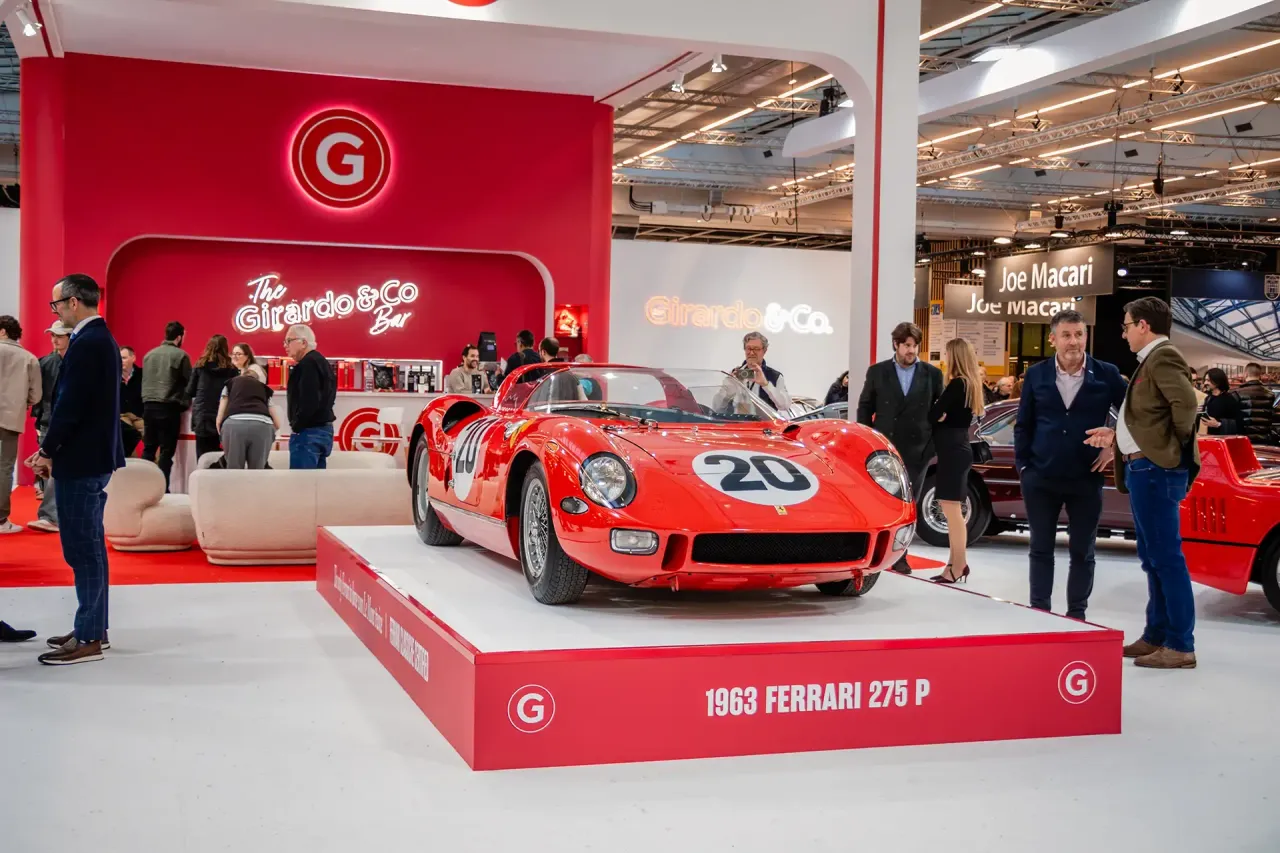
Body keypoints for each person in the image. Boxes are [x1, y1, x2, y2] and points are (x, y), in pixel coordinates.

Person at [1084, 296, 1199, 670]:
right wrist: (1118, 435)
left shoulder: (1163, 357)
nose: (1124, 333)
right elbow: (1151, 416)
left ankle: (1180, 645)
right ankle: (1156, 635)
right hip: (1143, 469)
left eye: (1127, 325)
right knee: (1153, 558)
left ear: (1143, 326)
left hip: (1155, 470)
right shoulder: (1151, 360)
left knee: (1166, 558)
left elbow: (1185, 407)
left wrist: (1166, 449)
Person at [26, 274, 126, 666]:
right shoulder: (100, 339)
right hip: (93, 457)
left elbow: (71, 406)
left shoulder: (89, 342)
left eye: (55, 305)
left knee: (82, 549)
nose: (54, 312)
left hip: (81, 460)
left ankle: (88, 637)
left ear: (72, 302)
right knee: (91, 548)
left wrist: (47, 449)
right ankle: (93, 627)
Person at [1014, 310, 1128, 621]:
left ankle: (1077, 615)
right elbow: (1023, 424)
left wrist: (1114, 445)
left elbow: (1134, 415)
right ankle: (1039, 612)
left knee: (1083, 551)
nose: (1074, 341)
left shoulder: (1106, 374)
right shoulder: (1036, 375)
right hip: (1040, 477)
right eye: (1066, 335)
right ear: (1053, 339)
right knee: (1040, 549)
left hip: (1085, 477)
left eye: (1079, 334)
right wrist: (1024, 468)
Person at [856, 321, 945, 574]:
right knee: (882, 500)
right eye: (907, 345)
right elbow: (865, 406)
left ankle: (901, 554)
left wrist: (934, 444)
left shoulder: (932, 374)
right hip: (884, 448)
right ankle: (877, 552)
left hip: (919, 448)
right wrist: (866, 440)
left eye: (915, 345)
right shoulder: (878, 371)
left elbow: (940, 411)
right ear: (896, 344)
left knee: (909, 503)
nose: (911, 350)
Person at [930, 338, 986, 584]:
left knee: (952, 510)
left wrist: (939, 415)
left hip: (952, 451)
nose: (945, 358)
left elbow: (933, 414)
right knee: (952, 509)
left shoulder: (957, 384)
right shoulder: (970, 384)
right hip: (958, 448)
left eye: (948, 354)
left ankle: (959, 564)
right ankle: (953, 564)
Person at [0, 315, 42, 535]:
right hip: (11, 418)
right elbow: (36, 395)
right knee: (5, 467)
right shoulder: (29, 358)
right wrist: (22, 402)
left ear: (3, 331)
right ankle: (1, 519)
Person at [28, 321, 71, 533]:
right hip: (48, 421)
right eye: (53, 335)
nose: (54, 339)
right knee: (50, 467)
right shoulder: (45, 363)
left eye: (59, 336)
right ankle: (51, 515)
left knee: (59, 468)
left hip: (68, 423)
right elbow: (37, 394)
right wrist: (38, 419)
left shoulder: (77, 363)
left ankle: (53, 515)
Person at [141, 321, 192, 489]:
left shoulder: (149, 355)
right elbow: (190, 383)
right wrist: (184, 403)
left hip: (148, 406)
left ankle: (143, 486)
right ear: (179, 337)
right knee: (166, 452)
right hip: (168, 408)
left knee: (148, 449)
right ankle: (162, 488)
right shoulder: (181, 356)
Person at [284, 324, 336, 470]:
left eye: (289, 341)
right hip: (324, 429)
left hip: (308, 431)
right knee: (316, 481)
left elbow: (309, 399)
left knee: (301, 481)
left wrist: (297, 425)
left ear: (303, 342)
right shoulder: (322, 362)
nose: (285, 345)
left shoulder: (307, 365)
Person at [186, 334, 240, 462]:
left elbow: (190, 391)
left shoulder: (200, 366)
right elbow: (234, 393)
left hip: (202, 415)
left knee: (202, 456)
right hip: (222, 415)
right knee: (218, 455)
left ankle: (202, 474)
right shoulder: (232, 369)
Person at [217, 365, 281, 470]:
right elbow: (277, 423)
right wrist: (270, 434)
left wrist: (220, 423)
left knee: (234, 469)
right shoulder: (263, 388)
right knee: (258, 471)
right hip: (263, 425)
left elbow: (224, 401)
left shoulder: (232, 382)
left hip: (234, 424)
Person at [713, 331, 792, 413]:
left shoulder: (775, 376)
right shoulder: (734, 374)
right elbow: (716, 407)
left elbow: (785, 405)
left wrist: (766, 384)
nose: (751, 352)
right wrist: (729, 390)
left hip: (764, 421)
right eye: (749, 348)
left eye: (756, 349)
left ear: (764, 351)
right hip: (736, 420)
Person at [1233, 361, 1275, 445]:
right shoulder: (1270, 393)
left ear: (1246, 374)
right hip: (1265, 438)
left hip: (1243, 438)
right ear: (1260, 375)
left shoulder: (1236, 393)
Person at [119, 346, 144, 457]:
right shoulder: (113, 376)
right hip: (122, 416)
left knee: (151, 439)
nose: (121, 361)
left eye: (124, 358)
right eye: (119, 358)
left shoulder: (143, 375)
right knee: (127, 436)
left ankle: (153, 465)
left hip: (140, 415)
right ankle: (130, 461)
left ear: (133, 358)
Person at [1201, 368, 1241, 436]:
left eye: (1208, 380)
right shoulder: (1208, 398)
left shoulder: (1229, 399)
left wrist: (1218, 424)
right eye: (1205, 380)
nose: (1205, 383)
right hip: (1209, 437)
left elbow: (1238, 423)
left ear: (1217, 381)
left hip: (1223, 438)